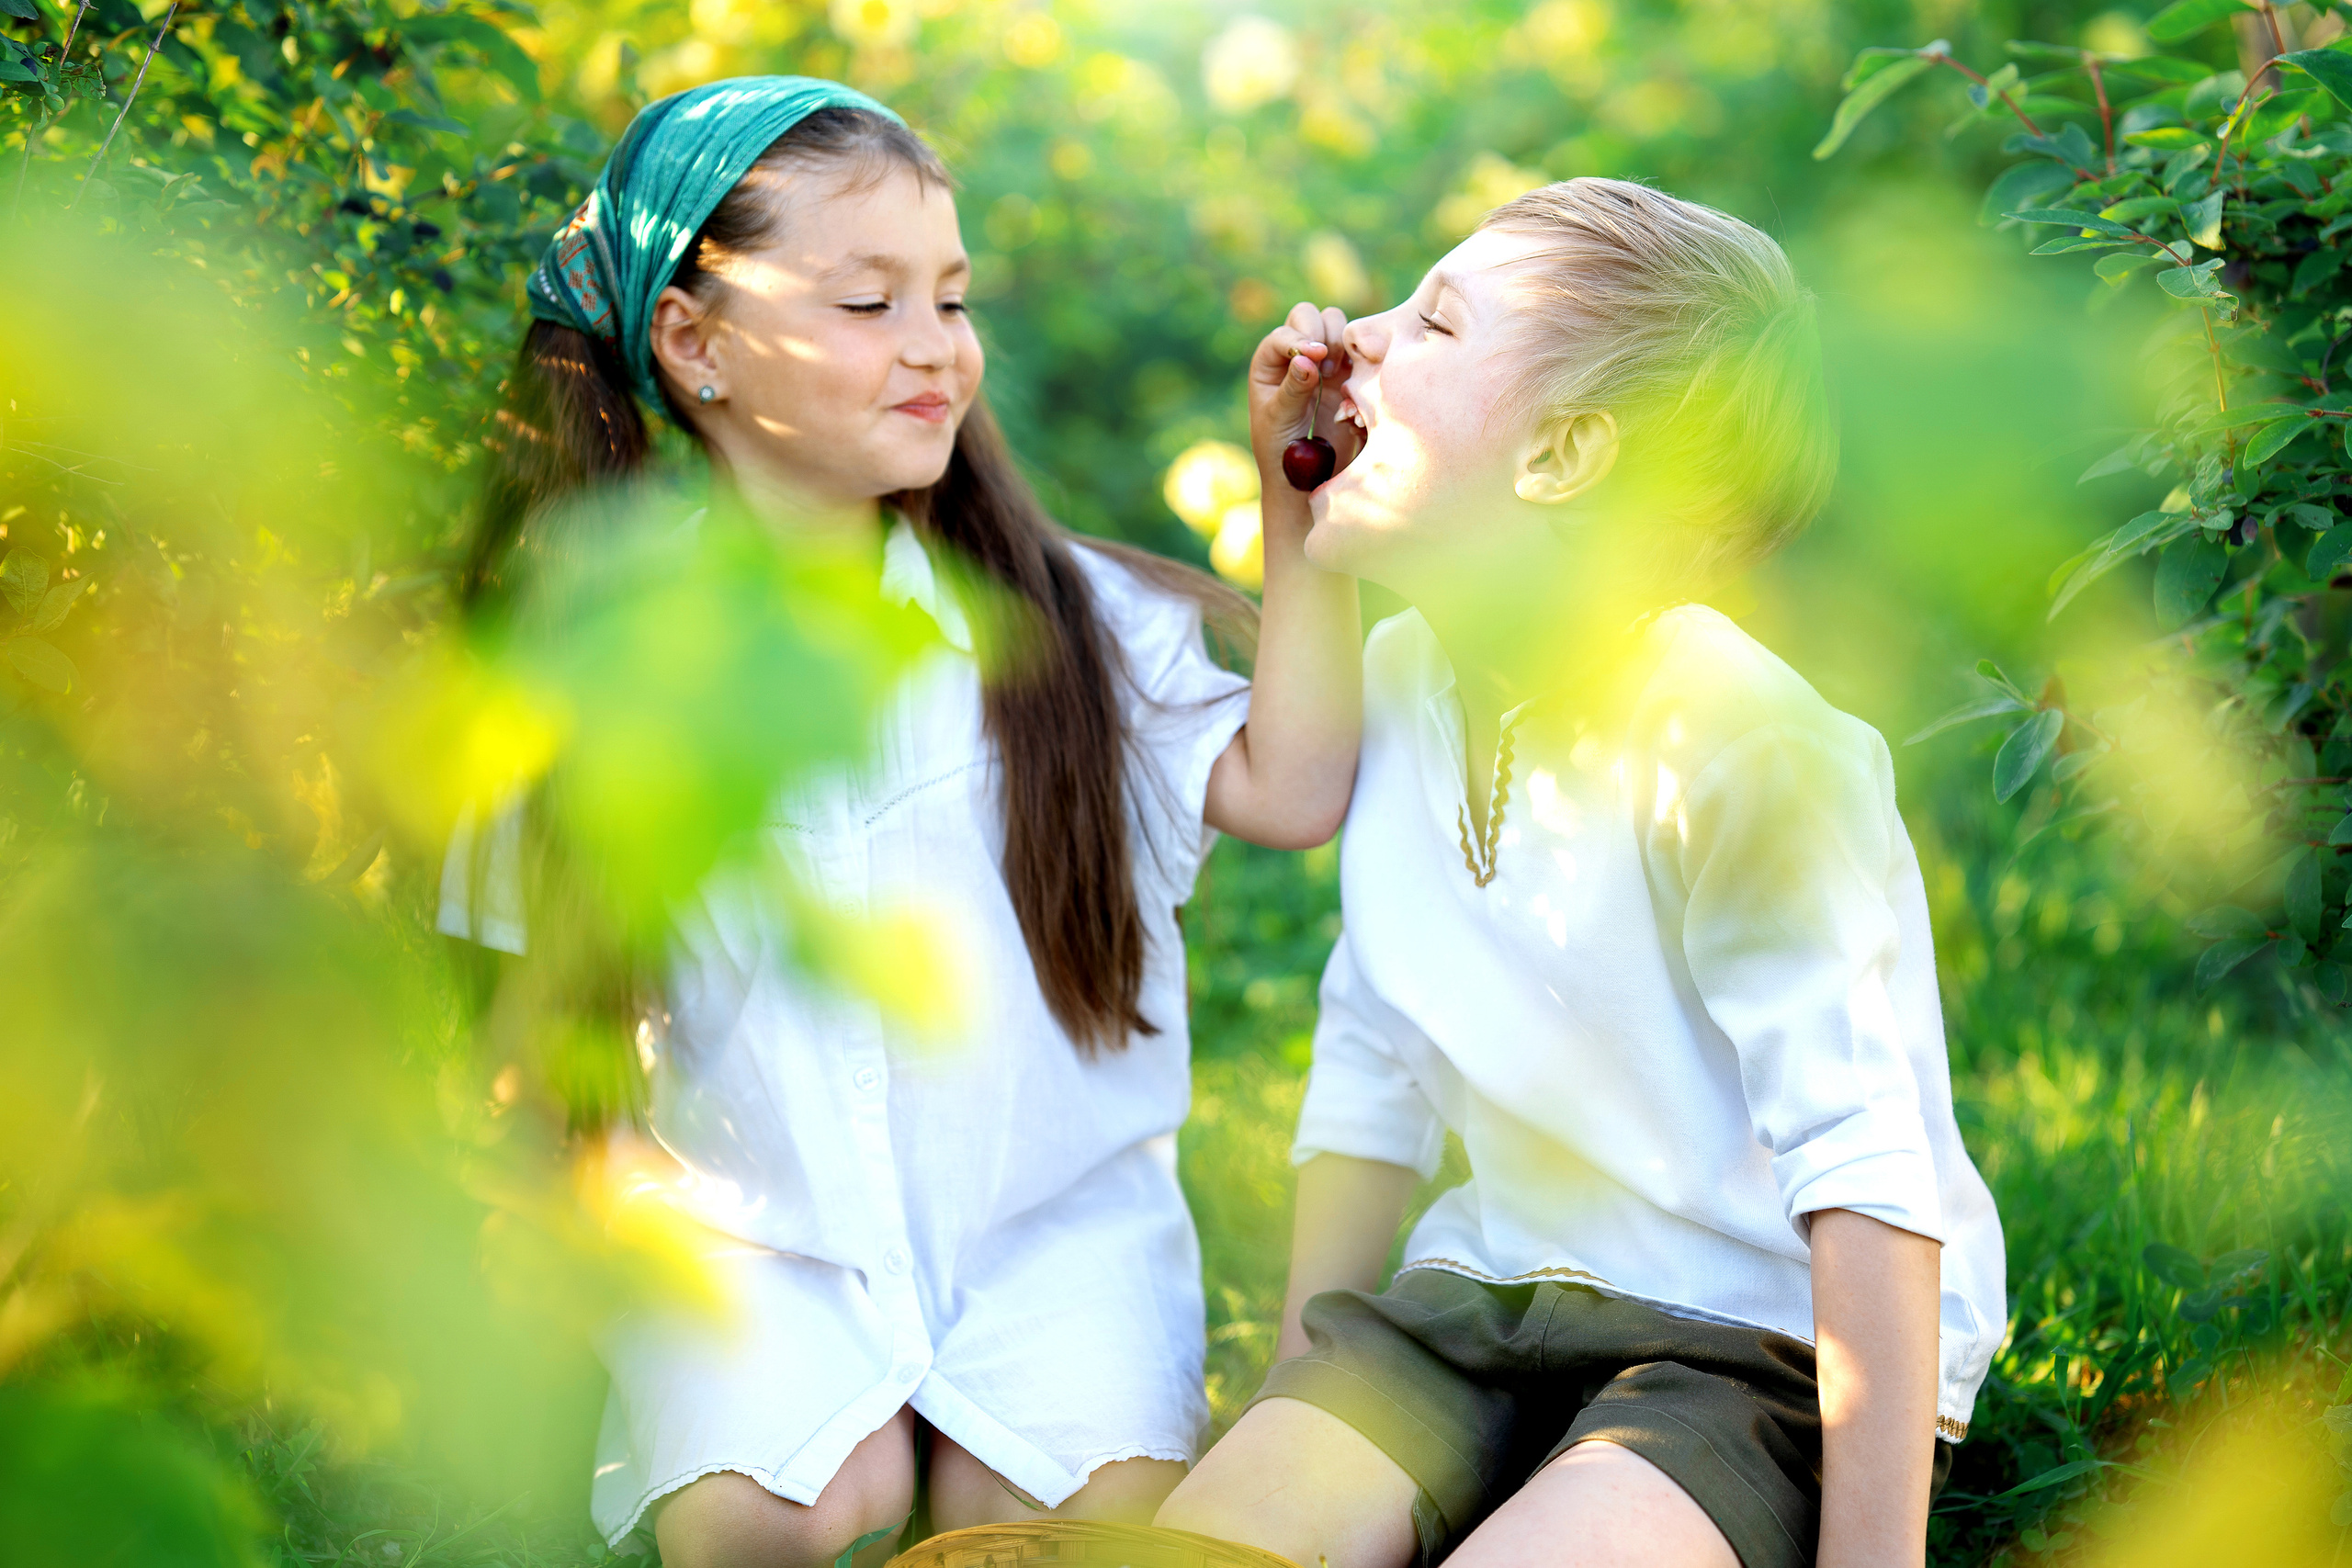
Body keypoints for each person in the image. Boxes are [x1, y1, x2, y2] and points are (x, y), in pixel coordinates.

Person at [439, 78, 1362, 1568]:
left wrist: (1297, 498)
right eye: (869, 303)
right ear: (694, 344)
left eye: (951, 297)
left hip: (1052, 1236)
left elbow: (1296, 787)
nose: (935, 345)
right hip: (755, 1237)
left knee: (1058, 1536)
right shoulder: (581, 664)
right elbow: (529, 1038)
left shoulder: (1067, 621)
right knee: (769, 1524)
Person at [1155, 177, 2007, 1568]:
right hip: (1484, 1303)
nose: (1355, 338)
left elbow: (1869, 1175)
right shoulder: (1401, 680)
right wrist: (1302, 1398)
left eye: (1434, 322)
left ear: (1560, 457)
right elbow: (1371, 1068)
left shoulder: (1745, 743)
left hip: (1749, 1343)